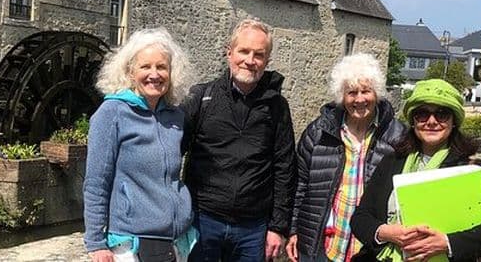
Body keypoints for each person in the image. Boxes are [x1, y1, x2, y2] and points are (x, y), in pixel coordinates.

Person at [350, 79, 481, 262]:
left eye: (442, 114)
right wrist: (385, 232)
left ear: (454, 120)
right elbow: (361, 217)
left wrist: (447, 243)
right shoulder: (392, 162)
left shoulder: (474, 169)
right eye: (422, 114)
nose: (431, 122)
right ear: (413, 120)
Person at [181, 19, 296, 261]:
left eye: (259, 54)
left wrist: (278, 227)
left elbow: (284, 168)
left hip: (252, 228)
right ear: (229, 53)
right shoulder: (202, 98)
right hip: (203, 220)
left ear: (267, 61)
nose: (250, 60)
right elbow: (170, 154)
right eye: (243, 51)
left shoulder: (277, 106)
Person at [84, 28, 197, 262]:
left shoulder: (175, 117)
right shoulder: (112, 113)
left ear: (171, 73)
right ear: (130, 71)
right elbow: (96, 182)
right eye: (145, 66)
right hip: (132, 242)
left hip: (175, 240)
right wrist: (96, 242)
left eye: (161, 67)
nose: (154, 74)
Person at [287, 53, 406, 262]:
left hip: (371, 248)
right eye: (352, 93)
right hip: (324, 244)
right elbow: (300, 186)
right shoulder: (318, 132)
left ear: (376, 93)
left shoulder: (398, 136)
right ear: (342, 96)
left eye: (366, 91)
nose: (359, 99)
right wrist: (294, 230)